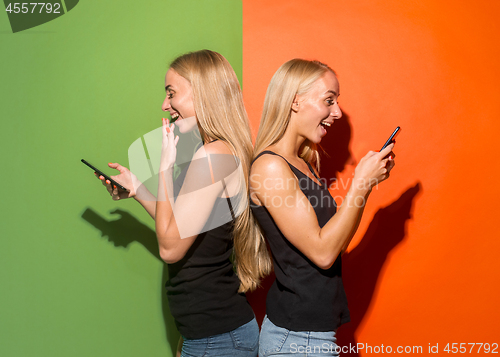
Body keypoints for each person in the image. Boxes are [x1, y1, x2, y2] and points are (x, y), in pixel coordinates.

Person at [95, 50, 264, 357]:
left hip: (218, 339)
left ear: (203, 93)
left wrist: (163, 168)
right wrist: (138, 190)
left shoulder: (212, 156)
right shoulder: (215, 152)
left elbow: (170, 248)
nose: (164, 104)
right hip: (209, 336)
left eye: (171, 93)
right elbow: (179, 226)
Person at [247, 59, 396, 356]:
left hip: (311, 335)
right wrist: (361, 184)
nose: (337, 112)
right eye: (329, 100)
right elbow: (324, 253)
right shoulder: (271, 167)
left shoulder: (303, 162)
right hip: (296, 339)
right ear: (294, 101)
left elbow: (334, 243)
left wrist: (363, 188)